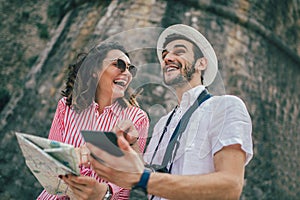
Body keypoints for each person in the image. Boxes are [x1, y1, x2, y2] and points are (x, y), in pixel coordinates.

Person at [86, 24, 253, 200]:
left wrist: (141, 179)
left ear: (201, 63)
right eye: (165, 55)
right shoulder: (162, 124)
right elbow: (152, 175)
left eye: (179, 52)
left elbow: (230, 187)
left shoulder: (225, 107)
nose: (167, 58)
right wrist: (132, 146)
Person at [37, 42, 149, 200]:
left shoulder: (137, 119)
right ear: (94, 70)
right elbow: (48, 163)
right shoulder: (66, 106)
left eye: (131, 68)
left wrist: (104, 191)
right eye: (119, 64)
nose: (127, 73)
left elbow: (131, 180)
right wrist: (72, 157)